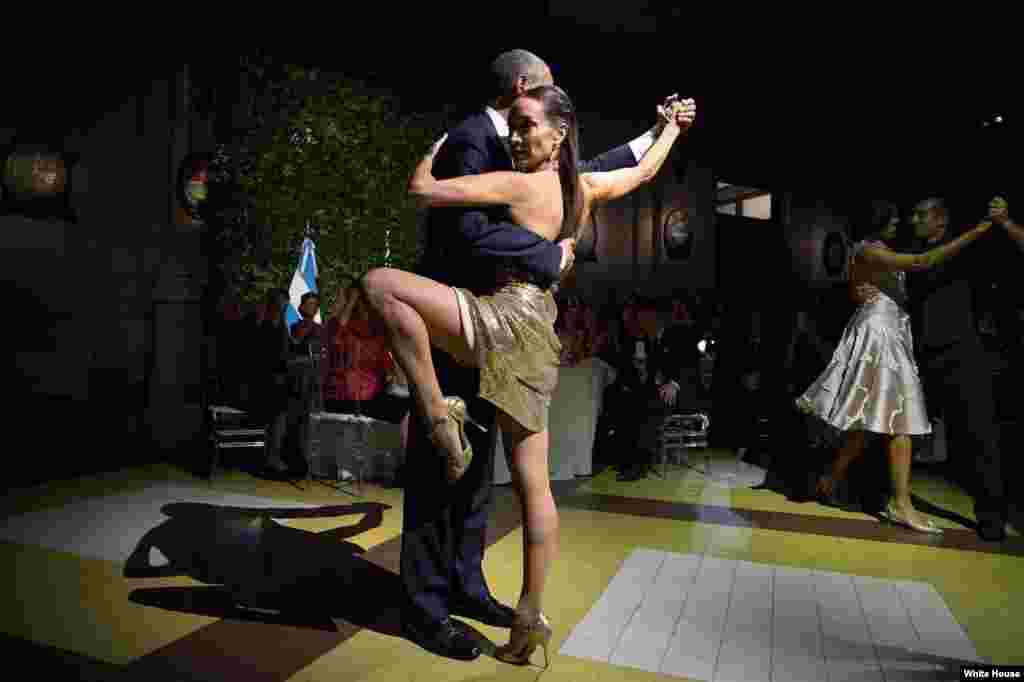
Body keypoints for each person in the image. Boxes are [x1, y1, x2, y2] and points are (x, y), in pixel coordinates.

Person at [363, 48, 684, 663]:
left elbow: (428, 193)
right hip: (526, 328)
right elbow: (470, 235)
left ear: (551, 131)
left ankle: (465, 580)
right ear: (520, 87)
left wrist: (425, 164)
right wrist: (668, 130)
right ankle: (472, 609)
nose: (517, 135)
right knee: (508, 482)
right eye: (525, 114)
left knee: (478, 475)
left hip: (493, 321)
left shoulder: (520, 169)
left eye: (528, 128)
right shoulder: (483, 142)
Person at [797, 200, 992, 533]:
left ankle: (829, 482)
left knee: (869, 421)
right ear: (880, 222)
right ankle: (901, 504)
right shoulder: (870, 250)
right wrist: (976, 231)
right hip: (881, 334)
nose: (903, 220)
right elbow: (922, 261)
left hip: (887, 329)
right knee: (901, 417)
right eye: (896, 217)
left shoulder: (875, 250)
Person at [903, 196, 1007, 541]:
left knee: (977, 437)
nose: (913, 218)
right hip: (925, 357)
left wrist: (998, 222)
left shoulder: (965, 251)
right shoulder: (914, 252)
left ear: (940, 220)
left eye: (921, 214)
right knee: (904, 430)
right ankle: (885, 493)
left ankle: (991, 515)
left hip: (962, 355)